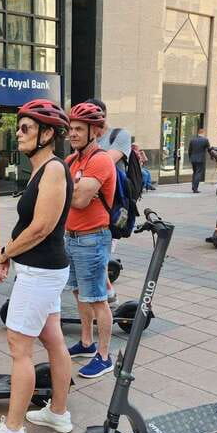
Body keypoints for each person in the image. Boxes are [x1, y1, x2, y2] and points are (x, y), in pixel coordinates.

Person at [0, 99, 74, 433]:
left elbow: (41, 227)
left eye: (26, 128)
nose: (18, 133)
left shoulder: (54, 170)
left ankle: (13, 431)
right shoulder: (41, 169)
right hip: (42, 270)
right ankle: (58, 413)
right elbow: (30, 226)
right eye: (19, 128)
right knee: (53, 339)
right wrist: (10, 255)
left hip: (40, 273)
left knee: (19, 348)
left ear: (47, 134)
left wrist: (4, 253)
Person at [63, 102, 116, 378]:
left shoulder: (100, 160)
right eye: (71, 128)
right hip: (70, 237)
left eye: (79, 129)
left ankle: (104, 356)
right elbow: (58, 192)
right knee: (78, 293)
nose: (73, 133)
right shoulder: (71, 161)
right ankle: (86, 342)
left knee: (97, 299)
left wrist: (72, 191)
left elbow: (80, 200)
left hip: (92, 238)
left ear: (94, 131)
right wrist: (73, 190)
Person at [83, 98, 131, 305]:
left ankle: (108, 297)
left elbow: (104, 162)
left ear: (103, 116)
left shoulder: (119, 136)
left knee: (99, 255)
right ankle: (104, 295)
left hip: (114, 205)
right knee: (93, 256)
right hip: (89, 204)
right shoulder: (86, 139)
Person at [188, 128, 210, 193]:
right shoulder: (205, 140)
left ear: (198, 133)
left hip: (193, 159)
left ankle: (193, 186)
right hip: (200, 159)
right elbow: (209, 149)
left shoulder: (192, 140)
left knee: (194, 172)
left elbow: (189, 150)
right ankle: (195, 188)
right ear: (203, 133)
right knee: (198, 173)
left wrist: (190, 157)